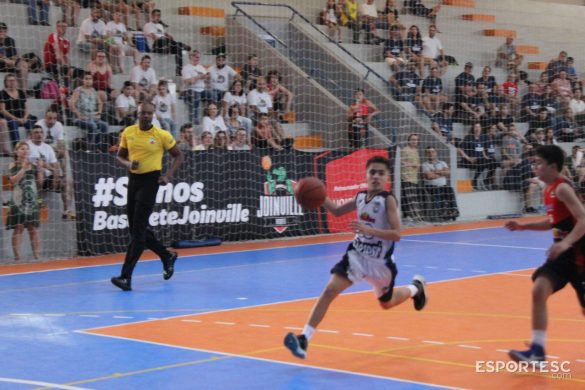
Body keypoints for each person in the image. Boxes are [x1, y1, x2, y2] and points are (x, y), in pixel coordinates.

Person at [283, 155, 427, 359]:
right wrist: (314, 192)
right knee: (329, 291)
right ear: (366, 175)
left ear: (386, 177)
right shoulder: (360, 197)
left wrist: (369, 230)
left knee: (386, 303)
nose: (376, 176)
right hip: (357, 257)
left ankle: (416, 288)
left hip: (380, 265)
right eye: (372, 172)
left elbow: (397, 234)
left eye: (380, 173)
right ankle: (304, 339)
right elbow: (336, 211)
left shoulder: (388, 200)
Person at [505, 144, 585, 363]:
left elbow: (583, 219)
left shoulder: (562, 188)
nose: (535, 166)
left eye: (539, 163)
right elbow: (552, 222)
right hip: (562, 256)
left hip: (579, 253)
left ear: (552, 166)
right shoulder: (547, 189)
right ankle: (537, 351)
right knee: (539, 290)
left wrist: (565, 243)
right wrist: (523, 226)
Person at [111, 102, 184, 291]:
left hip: (151, 182)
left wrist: (168, 175)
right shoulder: (129, 132)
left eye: (149, 113)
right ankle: (166, 255)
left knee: (137, 232)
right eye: (143, 113)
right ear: (138, 113)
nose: (146, 116)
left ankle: (126, 277)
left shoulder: (161, 135)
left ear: (153, 115)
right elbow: (119, 156)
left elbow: (178, 156)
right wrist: (128, 164)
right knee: (136, 230)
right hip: (133, 181)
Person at [6, 141, 44, 261]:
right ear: (16, 152)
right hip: (18, 200)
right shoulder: (13, 164)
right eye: (22, 149)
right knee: (19, 227)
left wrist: (39, 170)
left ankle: (37, 255)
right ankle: (18, 257)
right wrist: (23, 167)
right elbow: (13, 181)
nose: (24, 151)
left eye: (26, 149)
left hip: (31, 200)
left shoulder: (32, 165)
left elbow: (40, 183)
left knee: (33, 228)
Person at [143, 9, 191, 76]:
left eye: (159, 15)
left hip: (165, 45)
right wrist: (164, 38)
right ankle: (182, 45)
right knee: (163, 40)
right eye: (156, 15)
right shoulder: (148, 25)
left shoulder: (160, 26)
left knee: (178, 48)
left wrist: (168, 36)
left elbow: (165, 36)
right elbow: (154, 37)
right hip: (156, 46)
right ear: (152, 16)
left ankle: (179, 70)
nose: (158, 17)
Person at [422, 146, 459, 221]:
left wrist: (434, 171)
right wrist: (442, 172)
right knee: (437, 191)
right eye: (428, 152)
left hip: (443, 186)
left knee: (450, 189)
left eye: (432, 152)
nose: (431, 154)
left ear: (436, 153)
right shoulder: (425, 164)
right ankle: (442, 212)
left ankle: (453, 210)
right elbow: (429, 176)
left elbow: (448, 173)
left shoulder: (442, 163)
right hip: (431, 187)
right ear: (426, 154)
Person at [0, 23, 29, 91]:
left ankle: (23, 91)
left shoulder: (10, 40)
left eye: (4, 31)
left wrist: (13, 61)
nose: (2, 33)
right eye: (0, 31)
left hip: (10, 64)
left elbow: (14, 55)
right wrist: (5, 60)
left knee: (23, 64)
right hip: (1, 64)